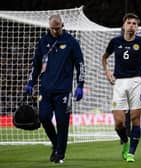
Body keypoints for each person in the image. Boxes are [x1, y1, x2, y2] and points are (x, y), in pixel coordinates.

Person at [25, 14, 85, 164]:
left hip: (64, 90)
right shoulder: (43, 41)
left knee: (62, 122)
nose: (55, 31)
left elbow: (80, 64)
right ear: (49, 26)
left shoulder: (71, 42)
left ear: (62, 25)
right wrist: (30, 83)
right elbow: (36, 65)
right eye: (53, 28)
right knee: (44, 117)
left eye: (58, 28)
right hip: (45, 89)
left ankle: (60, 153)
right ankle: (56, 143)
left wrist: (80, 85)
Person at [102, 13, 141, 162]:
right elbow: (104, 57)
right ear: (123, 25)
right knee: (119, 122)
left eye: (134, 23)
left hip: (135, 82)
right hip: (119, 82)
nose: (132, 25)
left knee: (135, 119)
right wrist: (107, 71)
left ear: (137, 27)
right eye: (129, 23)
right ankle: (125, 142)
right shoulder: (115, 41)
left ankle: (131, 153)